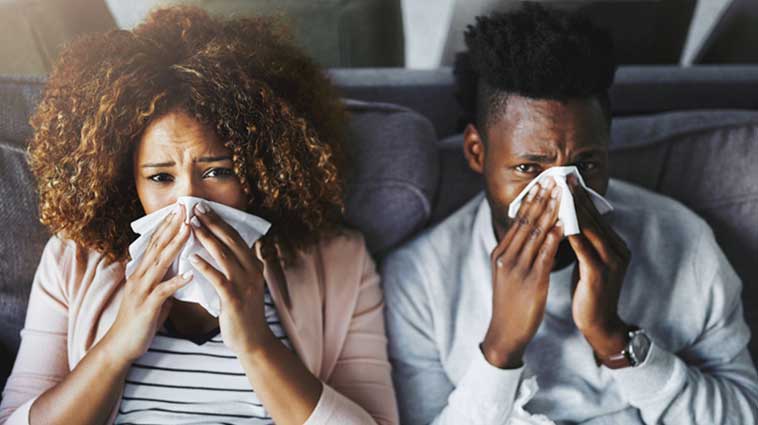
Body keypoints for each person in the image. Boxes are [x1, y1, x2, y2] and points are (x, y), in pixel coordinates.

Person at [0, 7, 398, 425]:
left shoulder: (339, 263)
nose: (190, 202)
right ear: (127, 183)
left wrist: (257, 344)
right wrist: (117, 344)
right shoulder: (72, 262)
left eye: (217, 171)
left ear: (261, 169)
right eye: (160, 177)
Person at [381, 4, 758, 424]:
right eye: (529, 169)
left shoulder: (682, 242)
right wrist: (501, 350)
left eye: (586, 164)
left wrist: (616, 340)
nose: (563, 199)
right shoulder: (421, 282)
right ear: (477, 152)